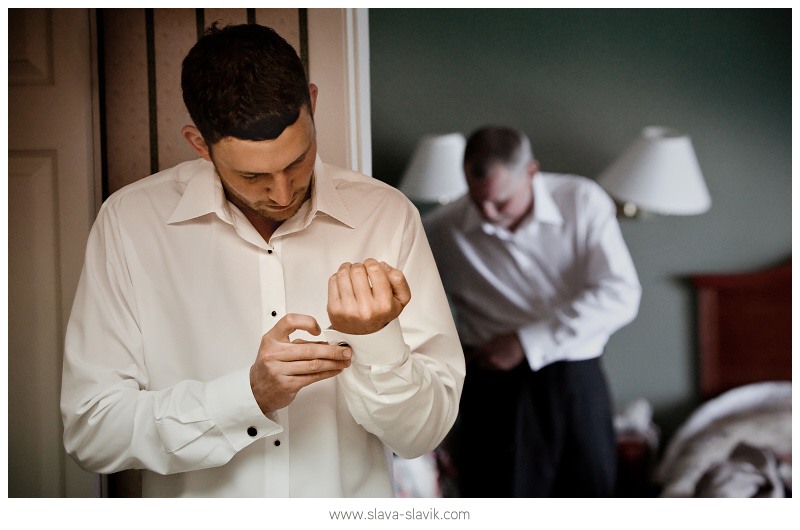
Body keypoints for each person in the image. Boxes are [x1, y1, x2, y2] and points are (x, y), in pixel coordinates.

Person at [60, 23, 464, 498]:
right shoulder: (129, 224)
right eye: (252, 175)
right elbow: (92, 432)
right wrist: (246, 398)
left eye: (298, 160)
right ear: (198, 143)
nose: (282, 191)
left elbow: (422, 436)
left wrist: (378, 341)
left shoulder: (388, 215)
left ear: (312, 102)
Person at [424, 126, 641, 497]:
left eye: (501, 201)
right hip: (493, 388)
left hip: (574, 382)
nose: (488, 214)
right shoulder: (443, 229)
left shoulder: (582, 201)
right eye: (478, 201)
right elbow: (418, 306)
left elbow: (621, 293)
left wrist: (524, 342)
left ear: (531, 172)